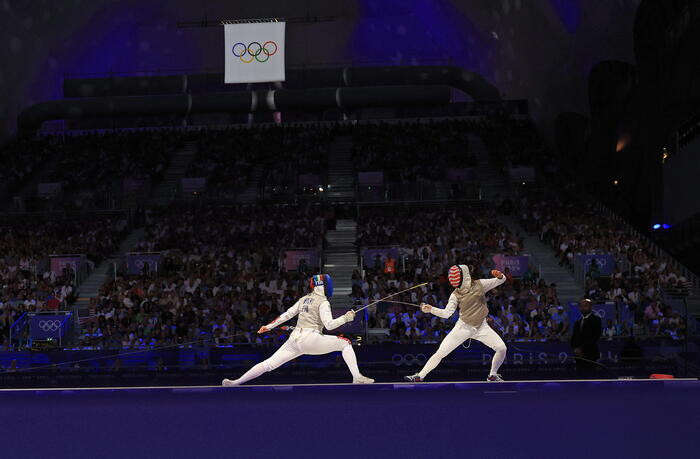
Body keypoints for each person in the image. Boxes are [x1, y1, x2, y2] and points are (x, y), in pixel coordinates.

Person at [222, 274, 374, 386]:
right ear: (325, 286)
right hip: (311, 339)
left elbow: (287, 314)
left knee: (268, 364)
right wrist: (346, 318)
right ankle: (357, 377)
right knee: (345, 343)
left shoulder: (303, 299)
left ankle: (236, 382)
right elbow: (329, 325)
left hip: (295, 340)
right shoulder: (323, 301)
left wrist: (268, 327)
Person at [405, 265, 508, 382]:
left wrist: (500, 276)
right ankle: (420, 376)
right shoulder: (455, 294)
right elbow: (446, 313)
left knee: (501, 348)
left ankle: (493, 375)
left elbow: (501, 280)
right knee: (441, 352)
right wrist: (431, 309)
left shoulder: (480, 284)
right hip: (463, 328)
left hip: (482, 327)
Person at [570, 298, 602, 378]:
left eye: (585, 306)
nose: (583, 308)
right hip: (578, 356)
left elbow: (595, 337)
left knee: (591, 377)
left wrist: (582, 349)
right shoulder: (578, 322)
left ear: (591, 307)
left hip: (590, 354)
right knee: (579, 377)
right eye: (581, 306)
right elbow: (574, 337)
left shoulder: (596, 320)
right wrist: (575, 349)